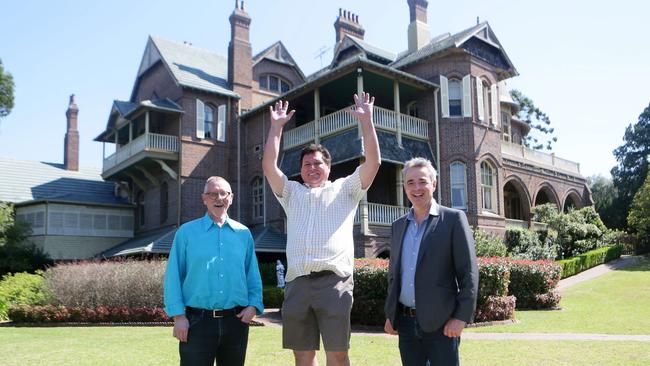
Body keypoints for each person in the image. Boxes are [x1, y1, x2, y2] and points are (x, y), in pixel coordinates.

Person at [262, 92, 381, 366]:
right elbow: (269, 165)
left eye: (318, 163)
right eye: (307, 164)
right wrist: (276, 128)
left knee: (337, 355)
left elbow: (373, 162)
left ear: (329, 167)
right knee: (302, 356)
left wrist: (367, 122)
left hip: (334, 283)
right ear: (301, 170)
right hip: (297, 283)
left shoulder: (346, 189)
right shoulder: (291, 192)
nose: (312, 167)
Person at [384, 157, 478, 366]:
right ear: (405, 187)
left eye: (423, 181)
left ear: (433, 184)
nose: (417, 188)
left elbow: (468, 273)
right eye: (410, 182)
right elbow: (394, 274)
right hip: (405, 324)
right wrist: (391, 314)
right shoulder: (398, 226)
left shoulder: (453, 219)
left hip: (442, 324)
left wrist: (461, 317)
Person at [163, 176, 263, 366]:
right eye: (213, 194)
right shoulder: (186, 233)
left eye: (224, 193)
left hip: (236, 321)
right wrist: (178, 316)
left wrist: (253, 305)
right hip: (196, 322)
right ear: (204, 199)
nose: (219, 198)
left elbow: (252, 273)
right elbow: (173, 276)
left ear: (231, 198)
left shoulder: (244, 234)